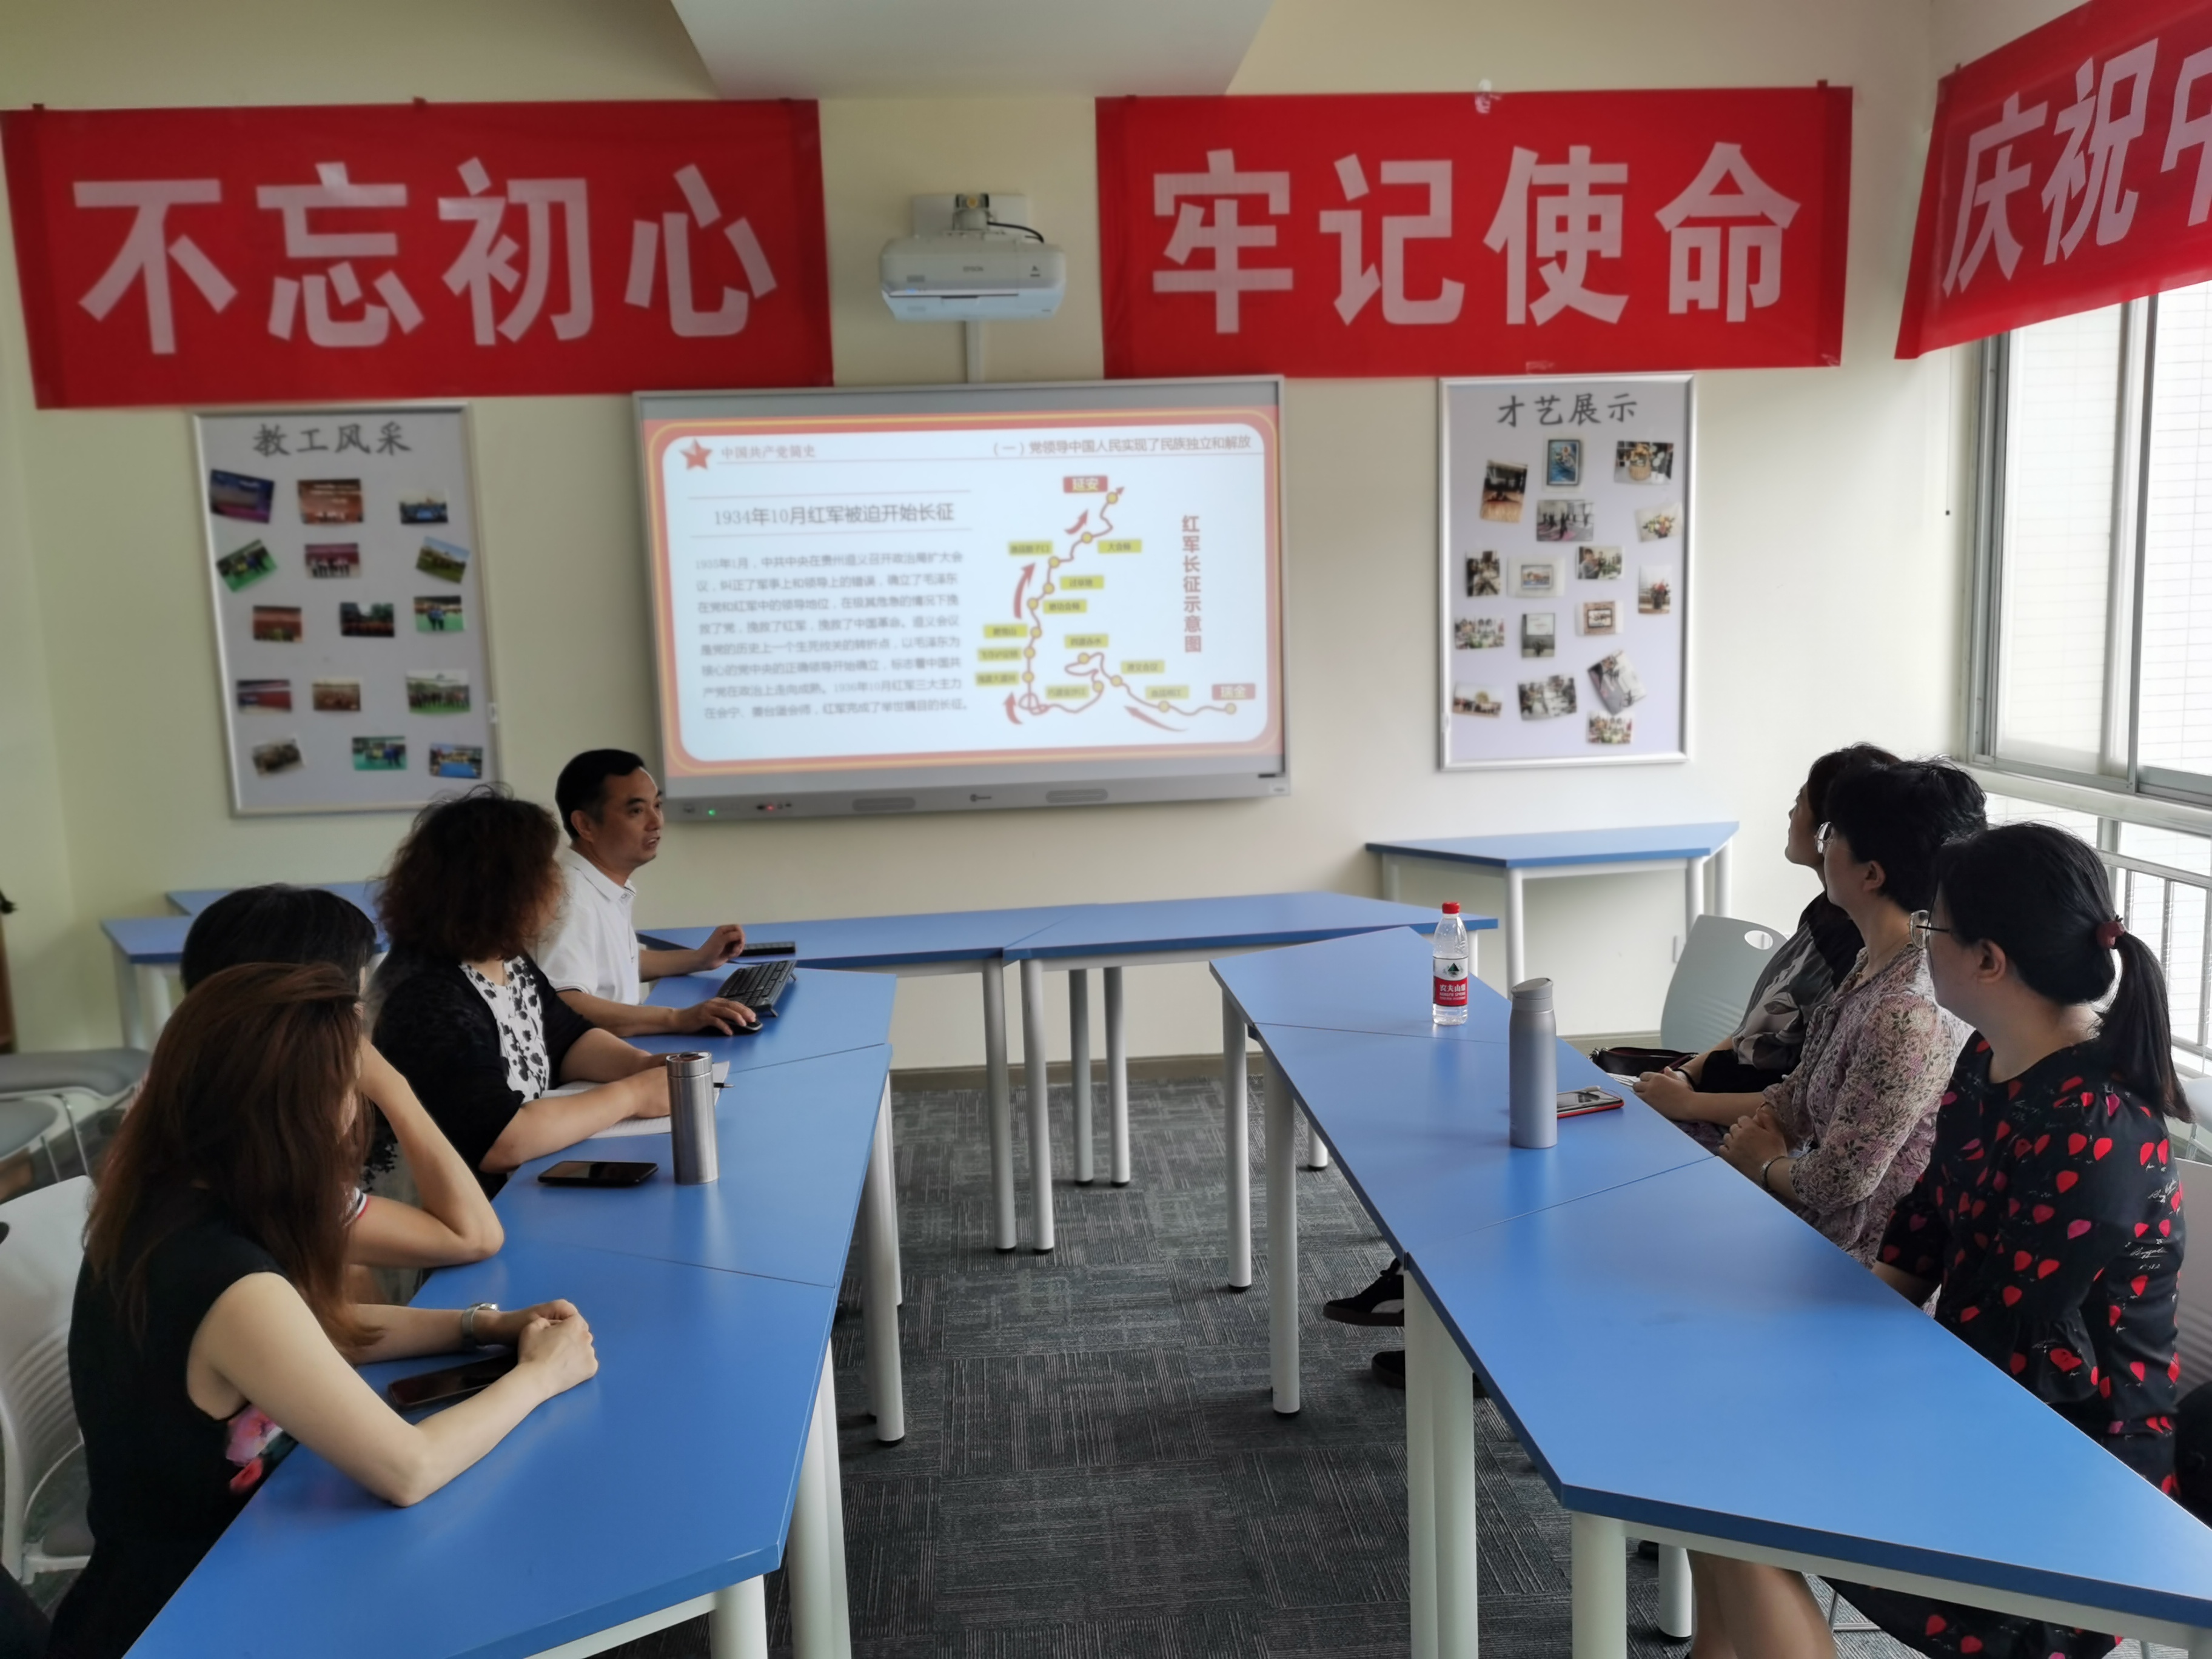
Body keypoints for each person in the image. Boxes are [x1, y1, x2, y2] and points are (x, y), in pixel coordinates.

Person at [1687, 823, 2187, 1659]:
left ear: (1989, 960)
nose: (1923, 944)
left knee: (1732, 1485)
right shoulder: (1987, 1059)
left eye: (1935, 928)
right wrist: (1787, 1349)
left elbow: (2015, 1354)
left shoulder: (2093, 1128)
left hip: (2070, 1483)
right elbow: (1920, 1239)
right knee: (1707, 1436)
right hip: (1977, 1403)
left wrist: (1819, 1389)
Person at [47, 964, 597, 1659]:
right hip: (189, 1620)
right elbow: (410, 1468)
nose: (356, 1113)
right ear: (296, 1114)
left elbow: (314, 1336)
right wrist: (542, 1376)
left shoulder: (173, 1203)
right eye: (350, 1088)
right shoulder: (224, 1277)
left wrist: (482, 1326)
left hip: (201, 1579)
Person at [1328, 743, 1897, 1386]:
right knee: (1518, 1128)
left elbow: (1802, 1103)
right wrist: (1687, 1072)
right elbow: (1750, 1035)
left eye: (1805, 806)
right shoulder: (1827, 918)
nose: (1792, 814)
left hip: (1734, 1126)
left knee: (1555, 1166)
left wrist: (1688, 1102)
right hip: (1704, 1097)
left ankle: (1482, 1345)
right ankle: (1448, 1312)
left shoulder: (1860, 959)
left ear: (1838, 836)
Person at [1642, 759, 1986, 1262]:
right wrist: (1758, 1132)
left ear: (1871, 874)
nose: (1824, 846)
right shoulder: (1875, 961)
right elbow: (1802, 1093)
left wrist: (1763, 1163)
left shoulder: (1904, 1012)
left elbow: (1842, 1180)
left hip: (1853, 1262)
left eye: (1832, 834)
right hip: (1811, 1222)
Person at [179, 884, 503, 1273]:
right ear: (304, 1017)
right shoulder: (261, 1174)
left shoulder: (198, 1102)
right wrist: (392, 1087)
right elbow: (472, 1236)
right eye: (354, 1003)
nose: (362, 1022)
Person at [370, 786, 672, 1191]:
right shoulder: (427, 996)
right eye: (545, 867)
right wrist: (632, 1096)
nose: (557, 879)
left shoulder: (502, 955)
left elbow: (567, 1039)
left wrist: (640, 1066)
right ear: (503, 888)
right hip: (440, 1212)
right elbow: (499, 1139)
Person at [536, 749, 755, 1038]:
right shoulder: (569, 897)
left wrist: (700, 959)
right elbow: (564, 1002)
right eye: (637, 811)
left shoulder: (598, 882)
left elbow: (615, 964)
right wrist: (677, 1019)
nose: (656, 822)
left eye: (657, 805)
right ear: (586, 825)